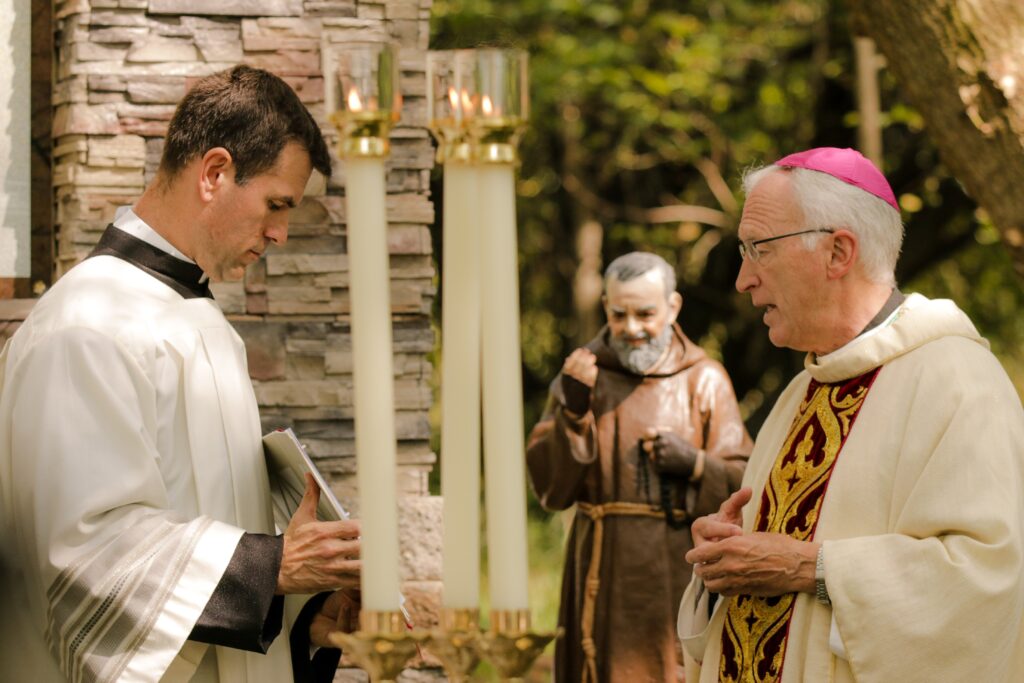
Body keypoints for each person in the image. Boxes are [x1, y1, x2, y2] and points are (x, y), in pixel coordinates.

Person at [0, 65, 363, 683]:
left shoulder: (191, 315)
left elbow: (208, 522)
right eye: (276, 204)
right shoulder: (86, 325)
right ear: (215, 173)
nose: (279, 232)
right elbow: (82, 552)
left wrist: (303, 610)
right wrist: (271, 567)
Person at [677, 147, 1024, 682]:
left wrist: (806, 568)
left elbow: (989, 579)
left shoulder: (958, 381)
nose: (743, 278)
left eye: (759, 249)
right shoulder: (802, 392)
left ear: (839, 252)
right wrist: (723, 564)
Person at [527, 251, 752, 683]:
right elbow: (552, 492)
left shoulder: (703, 379)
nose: (632, 328)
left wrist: (695, 465)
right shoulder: (583, 375)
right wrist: (573, 415)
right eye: (619, 314)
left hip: (673, 569)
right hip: (600, 566)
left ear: (673, 307)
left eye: (645, 313)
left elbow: (746, 484)